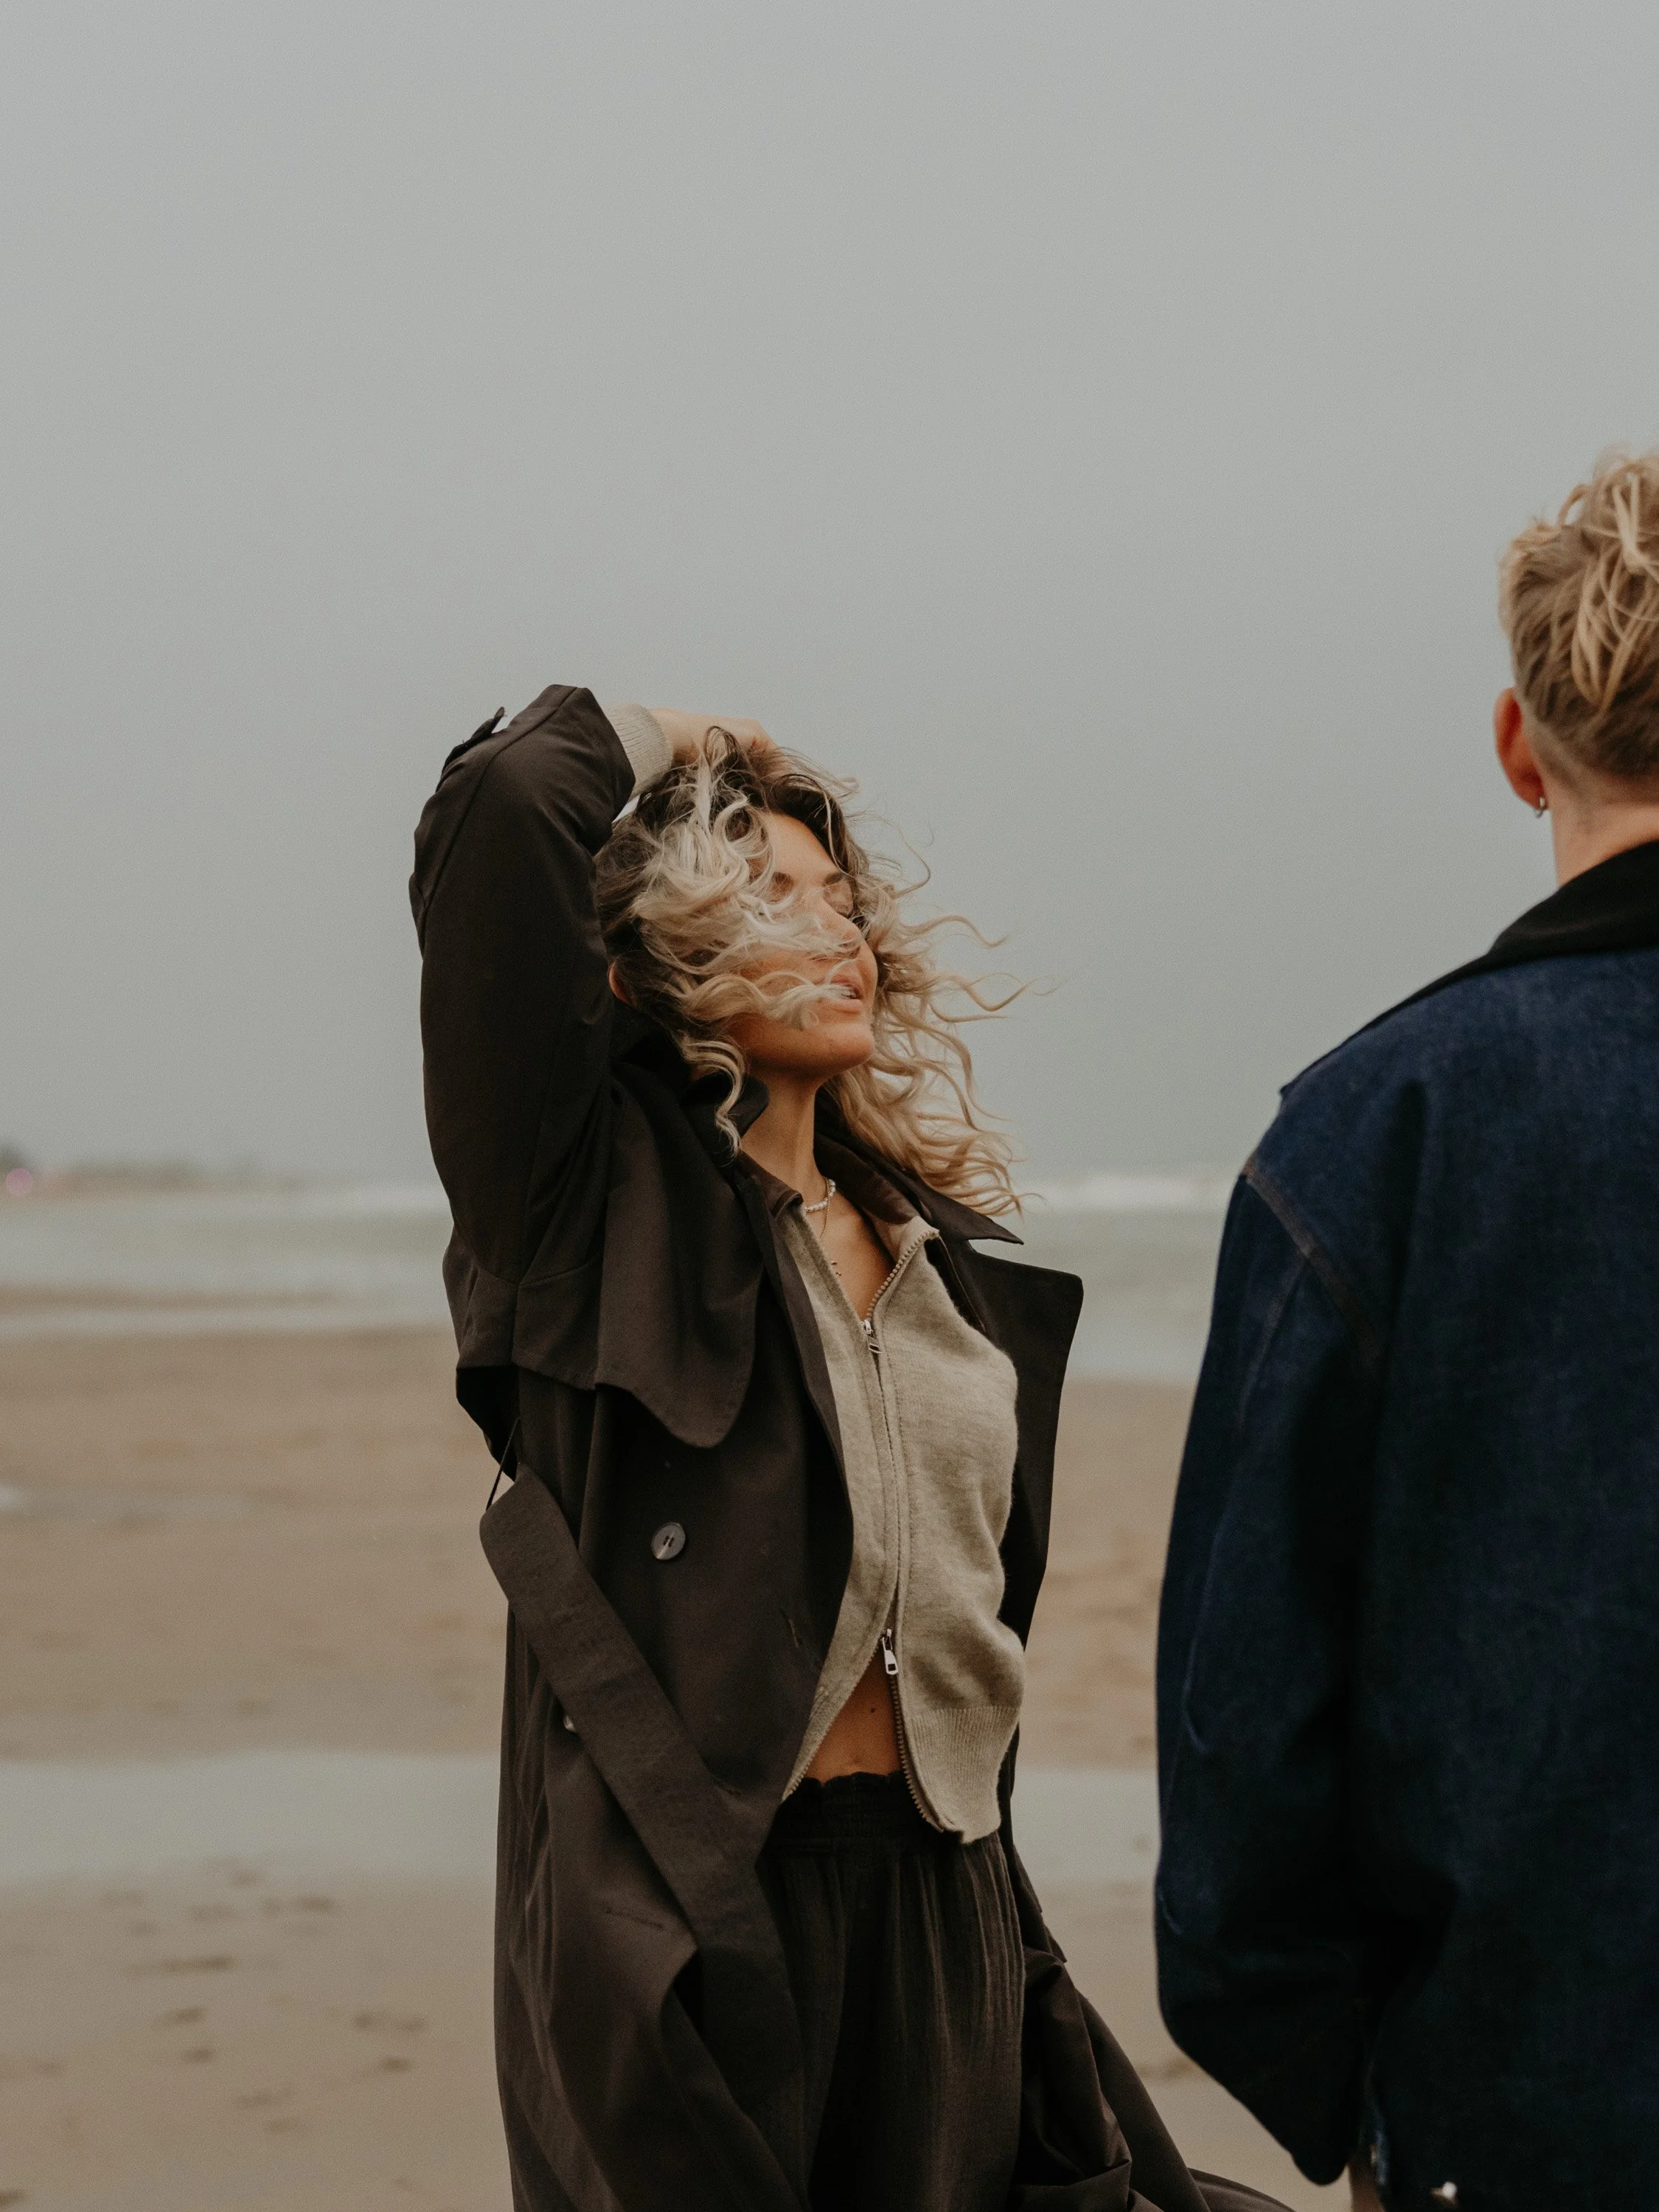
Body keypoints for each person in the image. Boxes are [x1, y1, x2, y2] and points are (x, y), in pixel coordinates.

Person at [411, 691, 1287, 2211]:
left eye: (843, 900)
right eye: (771, 895)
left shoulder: (947, 1280)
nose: (842, 935)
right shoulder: (576, 1224)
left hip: (952, 1905)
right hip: (699, 1916)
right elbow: (503, 823)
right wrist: (668, 732)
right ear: (646, 963)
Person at [1155, 448, 1659, 2211]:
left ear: (1522, 748)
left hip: (1516, 2122)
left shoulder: (1370, 1134)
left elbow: (1241, 1732)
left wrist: (1367, 2102)